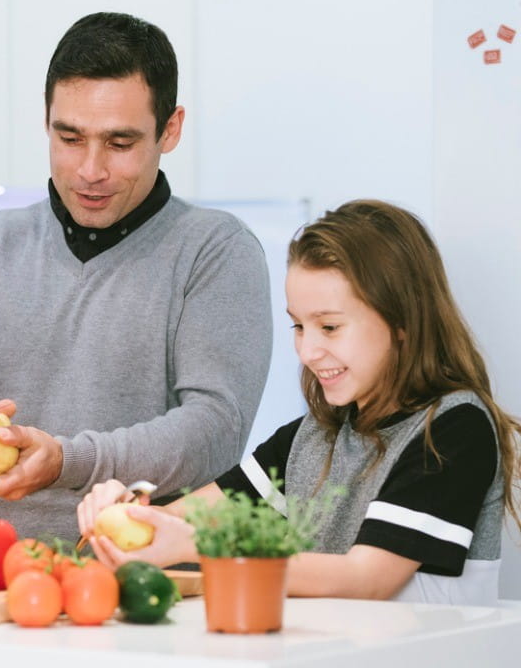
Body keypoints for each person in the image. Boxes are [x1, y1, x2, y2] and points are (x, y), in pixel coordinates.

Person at [0, 12, 273, 541]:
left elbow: (214, 431)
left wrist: (67, 459)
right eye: (69, 137)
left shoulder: (216, 251)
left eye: (119, 143)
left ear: (170, 129)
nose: (90, 170)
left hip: (157, 593)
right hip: (6, 588)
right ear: (46, 121)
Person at [78, 199, 521, 605]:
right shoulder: (312, 436)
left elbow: (366, 579)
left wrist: (194, 546)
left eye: (329, 328)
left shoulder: (454, 428)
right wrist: (126, 510)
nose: (308, 352)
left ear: (402, 321)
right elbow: (184, 516)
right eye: (299, 327)